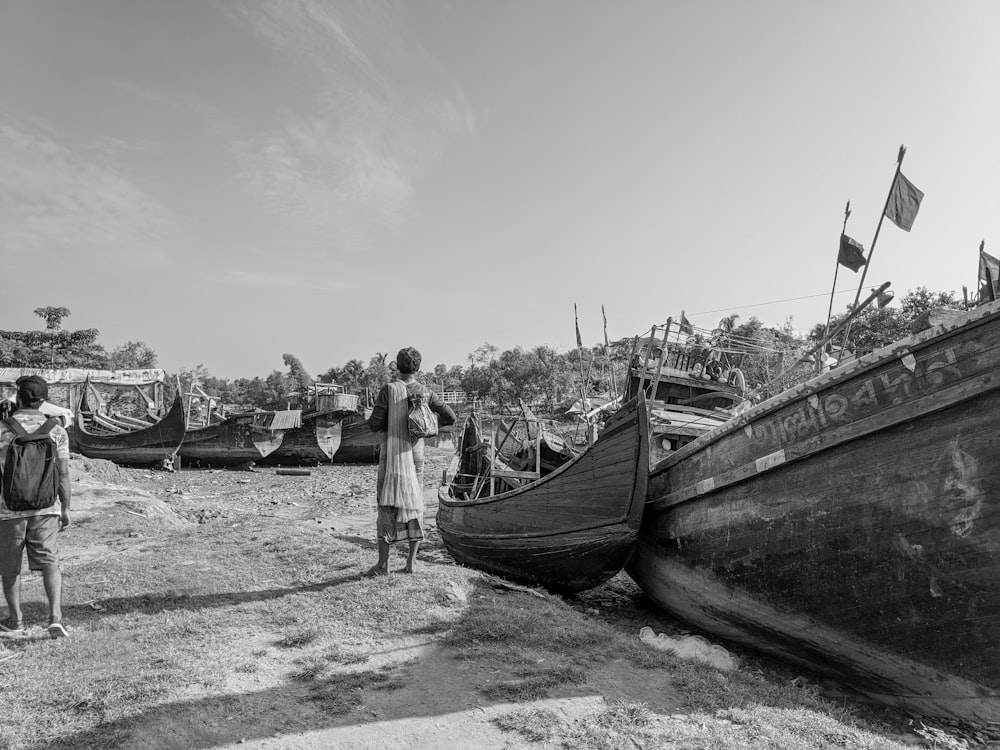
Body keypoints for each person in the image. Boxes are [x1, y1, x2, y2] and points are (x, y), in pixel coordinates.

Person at [364, 347, 455, 576]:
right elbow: (450, 417)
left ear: (397, 366)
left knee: (386, 504)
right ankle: (411, 564)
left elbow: (374, 425)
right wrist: (429, 427)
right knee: (414, 502)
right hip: (416, 454)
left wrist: (379, 419)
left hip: (392, 454)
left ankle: (383, 565)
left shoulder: (388, 390)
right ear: (418, 367)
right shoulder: (425, 392)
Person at [0, 375, 71, 637]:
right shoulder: (57, 430)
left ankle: (16, 620)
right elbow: (63, 474)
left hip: (8, 509)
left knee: (9, 567)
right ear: (43, 400)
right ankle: (55, 618)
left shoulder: (2, 429)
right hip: (46, 508)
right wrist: (66, 507)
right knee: (50, 562)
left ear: (18, 397)